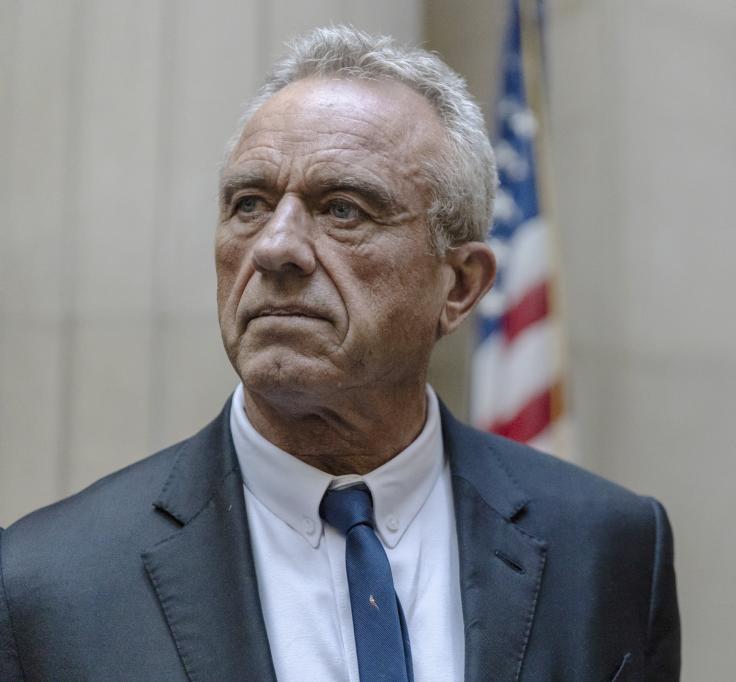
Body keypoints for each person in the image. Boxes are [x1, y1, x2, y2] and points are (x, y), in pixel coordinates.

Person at [0, 24, 679, 681]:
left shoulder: (610, 549)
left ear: (460, 285)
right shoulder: (44, 585)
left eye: (343, 209)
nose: (276, 248)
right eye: (249, 204)